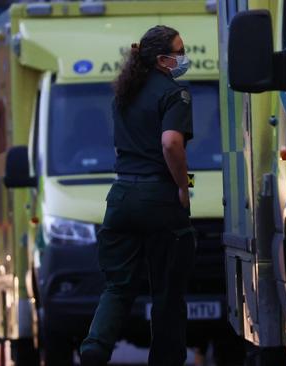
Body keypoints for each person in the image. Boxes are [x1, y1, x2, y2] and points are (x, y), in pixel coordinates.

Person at [80, 25, 196, 366]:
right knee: (167, 292)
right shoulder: (176, 94)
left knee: (117, 286)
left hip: (121, 196)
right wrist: (182, 186)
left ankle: (94, 348)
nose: (183, 56)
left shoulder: (124, 93)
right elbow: (170, 143)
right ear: (162, 59)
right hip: (158, 197)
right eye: (178, 50)